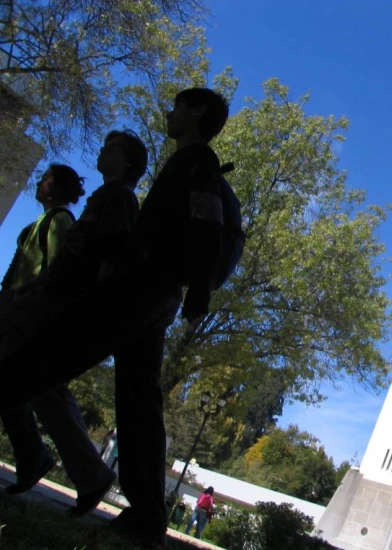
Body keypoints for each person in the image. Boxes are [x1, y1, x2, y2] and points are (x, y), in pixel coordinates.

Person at [0, 87, 229, 548]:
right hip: (153, 290)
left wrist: (200, 291)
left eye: (178, 106)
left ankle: (140, 513)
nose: (170, 112)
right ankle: (146, 517)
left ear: (197, 112)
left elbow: (207, 220)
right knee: (139, 403)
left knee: (50, 353)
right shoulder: (185, 164)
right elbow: (148, 235)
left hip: (143, 290)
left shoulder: (198, 161)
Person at [0, 163, 118, 516]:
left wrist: (27, 300)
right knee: (37, 391)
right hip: (19, 313)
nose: (40, 182)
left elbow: (58, 272)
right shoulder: (37, 225)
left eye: (46, 178)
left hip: (33, 316)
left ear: (58, 187)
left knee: (33, 387)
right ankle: (56, 463)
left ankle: (56, 463)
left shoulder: (60, 222)